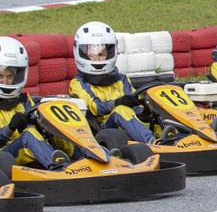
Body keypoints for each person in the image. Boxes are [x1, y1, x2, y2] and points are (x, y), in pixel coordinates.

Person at [69, 21, 157, 145]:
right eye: (92, 55)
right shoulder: (78, 83)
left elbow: (135, 106)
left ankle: (176, 138)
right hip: (104, 131)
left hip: (130, 123)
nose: (97, 59)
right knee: (121, 110)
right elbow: (96, 108)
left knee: (157, 107)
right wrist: (117, 103)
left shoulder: (121, 79)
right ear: (82, 53)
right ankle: (152, 142)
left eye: (102, 54)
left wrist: (147, 106)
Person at [0, 36, 68, 170]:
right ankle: (59, 168)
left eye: (10, 76)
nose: (5, 82)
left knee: (58, 129)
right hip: (3, 159)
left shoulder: (24, 100)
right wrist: (9, 128)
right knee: (29, 134)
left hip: (23, 152)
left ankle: (86, 161)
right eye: (0, 76)